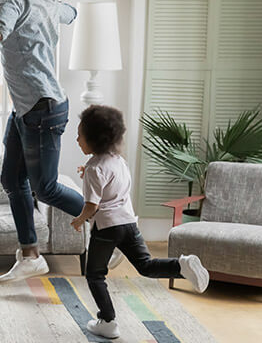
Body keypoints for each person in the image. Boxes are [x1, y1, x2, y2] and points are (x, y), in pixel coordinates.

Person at [0, 0, 91, 283]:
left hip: (41, 108)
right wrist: (60, 6)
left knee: (45, 188)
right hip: (29, 108)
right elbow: (71, 13)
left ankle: (109, 217)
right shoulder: (44, 0)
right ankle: (31, 255)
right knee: (11, 180)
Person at [71, 105, 209, 339]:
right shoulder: (118, 160)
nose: (76, 139)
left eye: (80, 135)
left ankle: (108, 321)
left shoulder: (95, 168)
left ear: (94, 139)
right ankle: (181, 266)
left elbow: (92, 206)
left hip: (106, 228)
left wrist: (79, 220)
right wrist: (90, 169)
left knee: (95, 274)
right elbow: (110, 180)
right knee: (146, 265)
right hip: (128, 223)